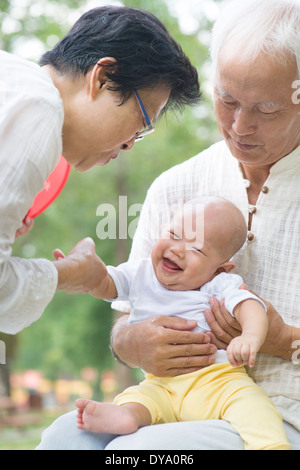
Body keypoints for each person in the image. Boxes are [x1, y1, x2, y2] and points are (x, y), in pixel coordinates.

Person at [37, 0, 300, 450]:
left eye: (266, 109)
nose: (239, 126)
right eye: (228, 99)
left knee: (138, 453)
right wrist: (133, 343)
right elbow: (123, 317)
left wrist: (281, 339)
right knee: (66, 437)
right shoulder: (176, 187)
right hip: (172, 403)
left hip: (282, 418)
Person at [0, 6, 200, 335]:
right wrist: (69, 274)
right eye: (142, 122)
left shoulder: (16, 84)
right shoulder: (39, 109)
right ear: (103, 77)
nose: (130, 145)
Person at [75, 197, 290, 450]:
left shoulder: (217, 284)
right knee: (139, 397)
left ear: (220, 269)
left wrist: (251, 337)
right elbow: (108, 285)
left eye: (197, 249)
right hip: (161, 383)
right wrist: (88, 275)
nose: (177, 249)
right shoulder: (140, 273)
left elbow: (250, 306)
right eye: (174, 234)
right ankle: (127, 416)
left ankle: (271, 446)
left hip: (217, 383)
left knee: (254, 408)